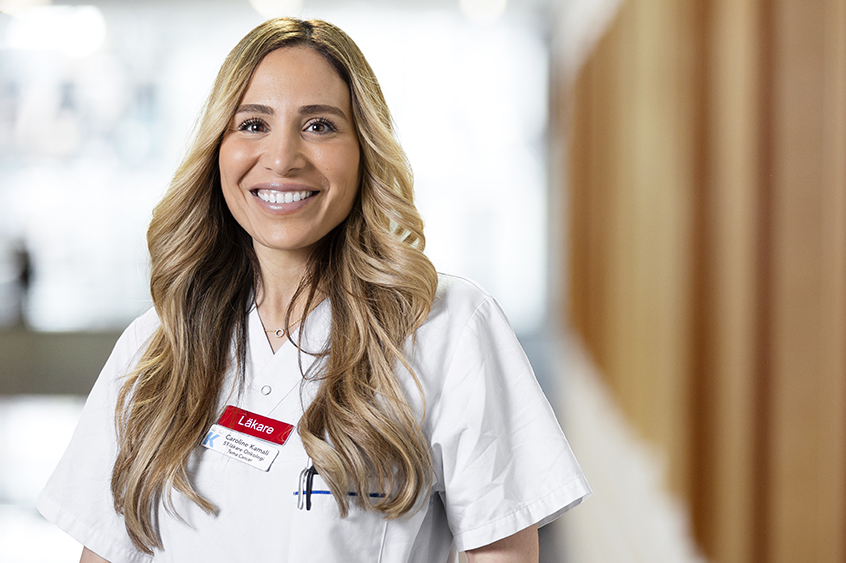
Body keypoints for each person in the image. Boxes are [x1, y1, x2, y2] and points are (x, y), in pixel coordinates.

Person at [37, 17, 590, 563]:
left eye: (319, 125)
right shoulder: (154, 350)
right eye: (253, 124)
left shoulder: (447, 328)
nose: (281, 159)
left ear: (363, 151)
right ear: (217, 150)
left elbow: (501, 551)